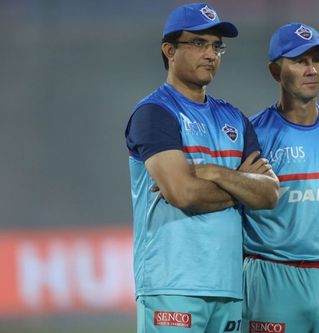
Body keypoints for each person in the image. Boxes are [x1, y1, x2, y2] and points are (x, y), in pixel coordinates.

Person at [125, 3, 279, 332]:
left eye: (216, 46)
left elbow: (268, 194)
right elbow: (183, 193)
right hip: (172, 286)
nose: (210, 54)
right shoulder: (155, 113)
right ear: (169, 50)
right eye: (198, 43)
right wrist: (241, 186)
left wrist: (216, 172)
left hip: (229, 287)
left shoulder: (235, 119)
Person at [242, 22, 319, 333]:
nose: (312, 69)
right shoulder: (253, 133)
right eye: (299, 61)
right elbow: (240, 205)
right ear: (275, 71)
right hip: (272, 278)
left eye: (317, 60)